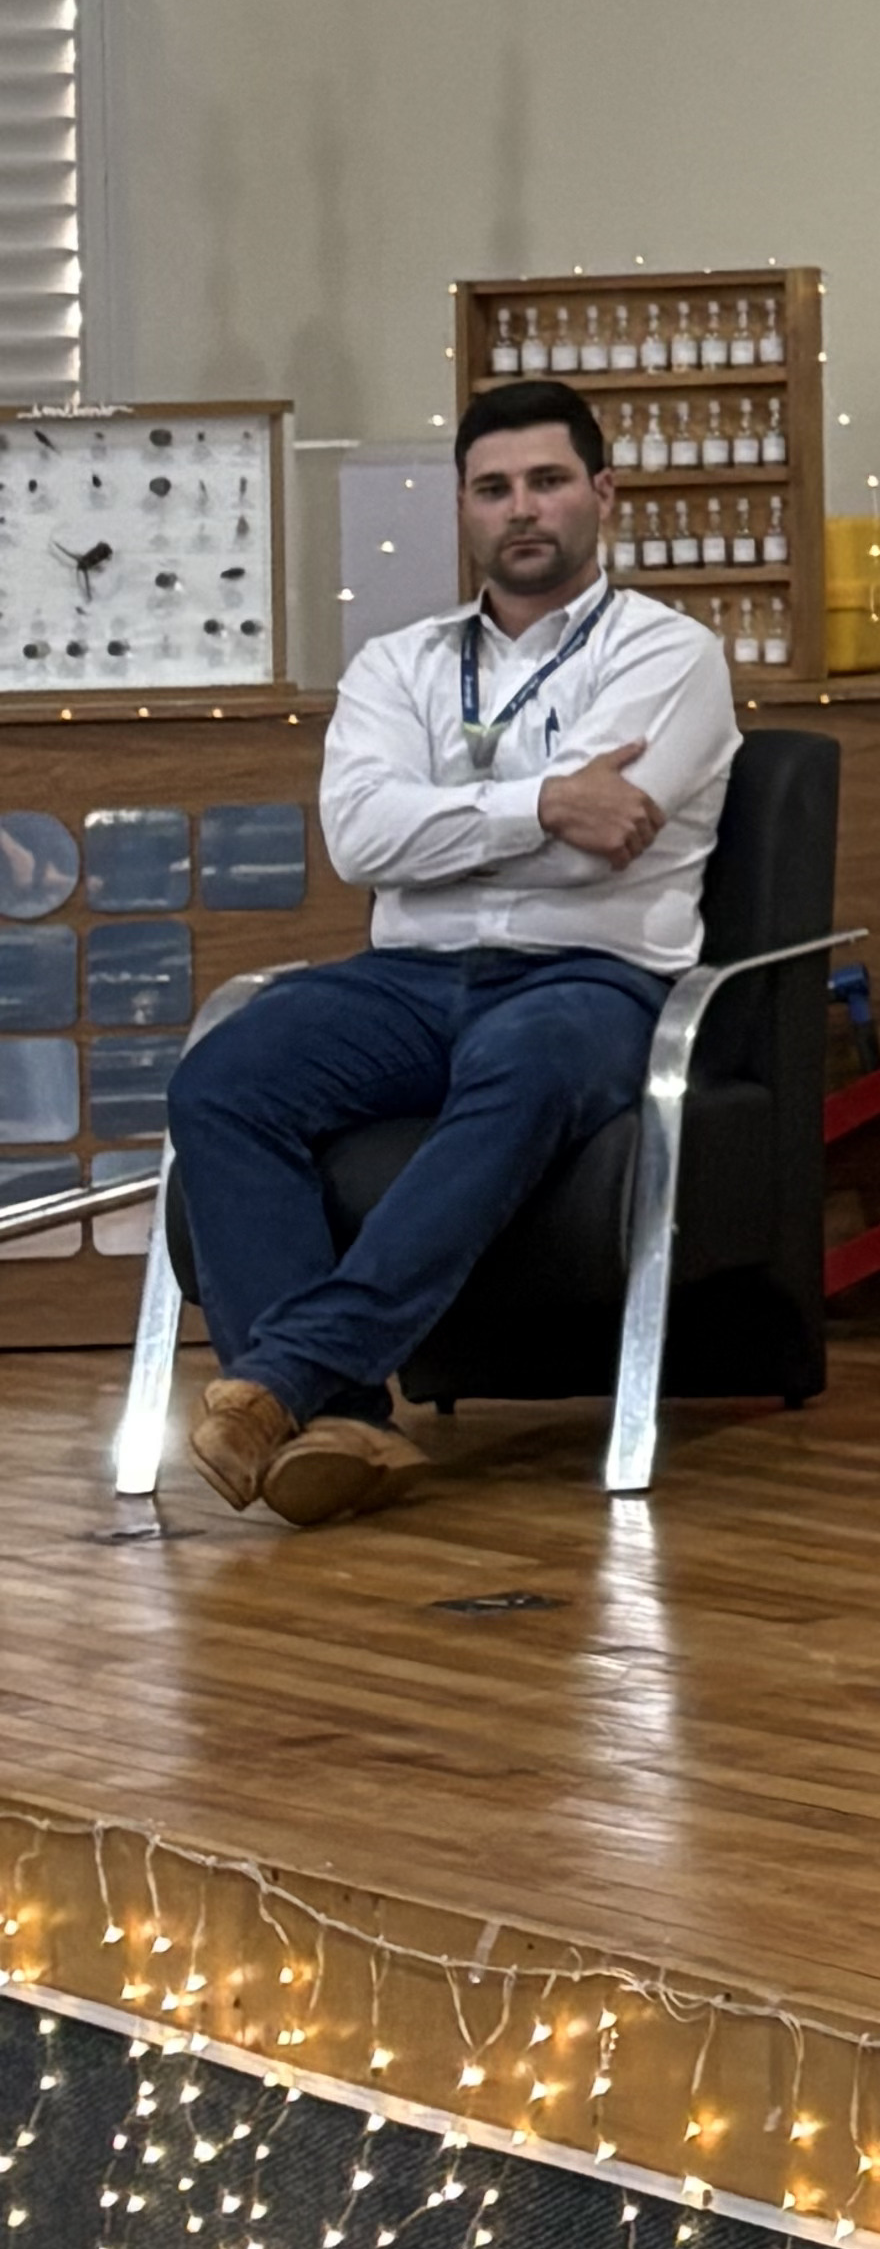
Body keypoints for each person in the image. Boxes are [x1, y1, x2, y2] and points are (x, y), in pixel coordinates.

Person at [164, 377, 736, 1529]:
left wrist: (455, 829)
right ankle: (340, 1423)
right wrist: (544, 804)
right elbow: (362, 841)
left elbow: (600, 853)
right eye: (493, 488)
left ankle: (282, 1378)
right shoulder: (399, 666)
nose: (521, 508)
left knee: (523, 1061)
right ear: (464, 508)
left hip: (588, 977)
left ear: (603, 495)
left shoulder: (668, 655)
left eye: (548, 481)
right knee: (224, 1076)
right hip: (410, 979)